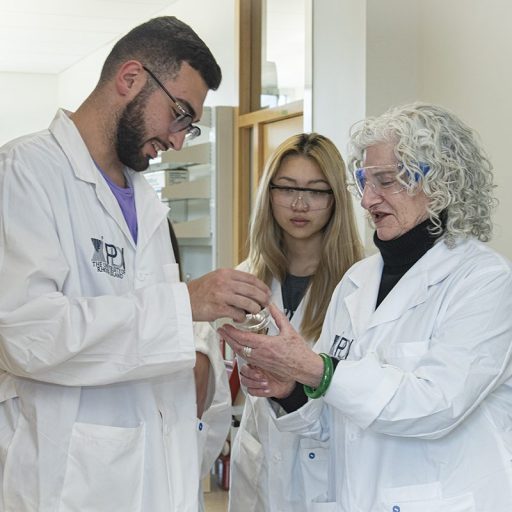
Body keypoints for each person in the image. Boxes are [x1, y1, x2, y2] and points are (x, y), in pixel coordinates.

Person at [0, 16, 270, 512]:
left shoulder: (145, 201)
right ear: (130, 79)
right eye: (180, 114)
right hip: (70, 481)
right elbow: (29, 335)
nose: (179, 140)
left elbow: (163, 323)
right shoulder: (25, 174)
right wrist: (185, 304)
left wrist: (205, 344)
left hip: (157, 474)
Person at [220, 103, 512, 511]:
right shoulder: (358, 280)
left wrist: (312, 369)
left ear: (441, 182)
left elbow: (436, 404)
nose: (367, 200)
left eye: (386, 181)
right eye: (364, 181)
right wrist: (290, 391)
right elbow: (331, 417)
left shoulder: (485, 280)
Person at [227, 133, 363, 512]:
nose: (299, 204)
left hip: (325, 470)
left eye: (317, 191)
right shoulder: (247, 280)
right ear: (268, 193)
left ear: (336, 198)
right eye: (287, 188)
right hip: (258, 464)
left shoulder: (360, 286)